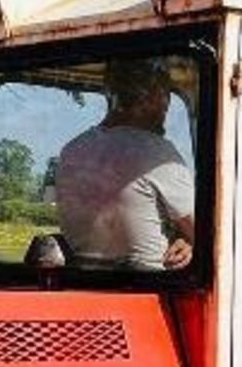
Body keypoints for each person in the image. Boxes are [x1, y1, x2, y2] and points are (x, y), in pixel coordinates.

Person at [54, 58, 195, 271]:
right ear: (154, 97)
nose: (165, 110)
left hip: (85, 281)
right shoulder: (157, 153)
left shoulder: (71, 150)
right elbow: (209, 236)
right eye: (165, 99)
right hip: (152, 286)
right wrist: (191, 242)